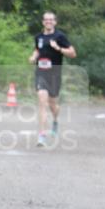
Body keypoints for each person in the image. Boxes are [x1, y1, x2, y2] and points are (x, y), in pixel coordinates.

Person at [28, 11, 76, 146]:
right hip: (41, 73)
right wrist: (33, 57)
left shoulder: (60, 36)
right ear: (43, 22)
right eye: (46, 20)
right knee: (42, 102)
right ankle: (41, 135)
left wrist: (59, 48)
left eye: (51, 20)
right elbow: (37, 49)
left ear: (55, 22)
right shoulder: (39, 37)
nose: (48, 22)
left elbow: (73, 53)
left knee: (52, 104)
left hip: (54, 74)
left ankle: (55, 120)